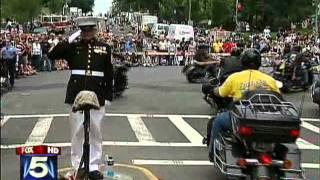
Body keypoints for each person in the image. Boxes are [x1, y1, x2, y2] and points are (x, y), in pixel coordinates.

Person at [48, 17, 113, 180]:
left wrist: (108, 95)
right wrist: (69, 37)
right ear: (80, 32)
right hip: (76, 93)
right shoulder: (73, 47)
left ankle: (93, 166)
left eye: (89, 30)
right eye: (83, 31)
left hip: (97, 93)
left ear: (95, 30)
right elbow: (52, 54)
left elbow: (109, 72)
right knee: (77, 131)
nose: (87, 34)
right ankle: (77, 165)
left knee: (96, 131)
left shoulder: (104, 48)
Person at [205, 49, 280, 160]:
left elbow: (220, 92)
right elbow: (278, 98)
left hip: (242, 118)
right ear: (259, 62)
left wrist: (212, 90)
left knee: (218, 121)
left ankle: (213, 153)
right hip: (267, 118)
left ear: (243, 62)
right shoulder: (269, 79)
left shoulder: (235, 77)